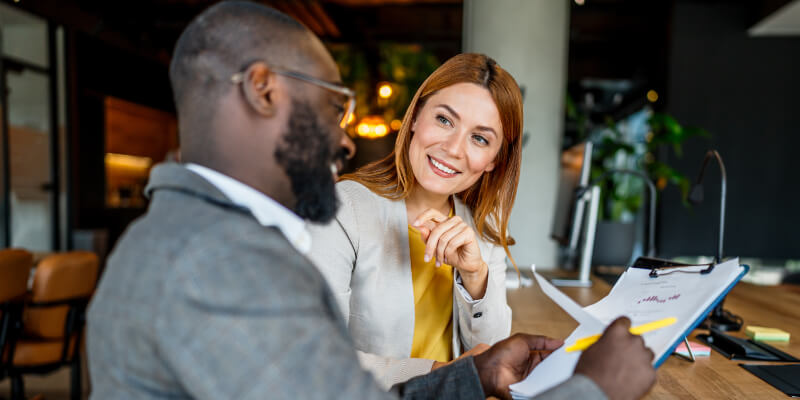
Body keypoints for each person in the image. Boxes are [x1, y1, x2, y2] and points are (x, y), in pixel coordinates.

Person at [86, 2, 657, 400]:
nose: (347, 138)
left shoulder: (208, 237)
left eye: (481, 138)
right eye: (333, 107)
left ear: (495, 159)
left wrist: (479, 370)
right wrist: (595, 390)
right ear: (264, 91)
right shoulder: (215, 260)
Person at [307, 53, 520, 388]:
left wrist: (477, 277)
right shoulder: (343, 209)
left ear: (494, 161)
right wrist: (439, 374)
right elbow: (317, 351)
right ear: (417, 116)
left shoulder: (484, 231)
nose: (453, 148)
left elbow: (491, 360)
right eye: (445, 120)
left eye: (480, 138)